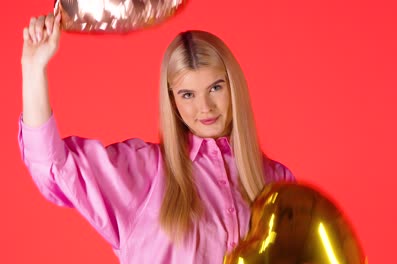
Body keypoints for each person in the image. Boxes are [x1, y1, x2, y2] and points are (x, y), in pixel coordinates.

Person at [19, 12, 296, 263]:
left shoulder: (277, 181)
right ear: (173, 101)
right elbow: (53, 168)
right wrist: (33, 68)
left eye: (215, 87)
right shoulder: (143, 172)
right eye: (188, 94)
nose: (205, 107)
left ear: (233, 86)